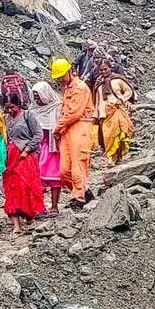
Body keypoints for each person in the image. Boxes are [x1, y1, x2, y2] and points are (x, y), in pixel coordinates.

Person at [51, 58, 95, 212]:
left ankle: (79, 197)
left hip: (80, 127)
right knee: (64, 171)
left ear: (69, 72)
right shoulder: (67, 89)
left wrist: (57, 128)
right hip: (67, 130)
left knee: (78, 164)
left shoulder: (80, 88)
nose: (60, 80)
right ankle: (84, 190)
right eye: (58, 78)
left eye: (61, 76)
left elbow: (74, 113)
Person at [3, 94, 45, 235]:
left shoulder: (28, 116)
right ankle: (16, 225)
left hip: (26, 157)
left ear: (18, 105)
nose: (9, 111)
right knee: (12, 188)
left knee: (25, 186)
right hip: (11, 158)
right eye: (7, 108)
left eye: (12, 107)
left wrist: (27, 150)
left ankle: (29, 215)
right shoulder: (7, 119)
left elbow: (38, 135)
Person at [93, 60, 135, 165]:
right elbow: (97, 101)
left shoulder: (118, 80)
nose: (103, 71)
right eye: (101, 70)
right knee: (107, 136)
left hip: (117, 109)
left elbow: (128, 91)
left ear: (110, 68)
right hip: (103, 113)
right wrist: (95, 114)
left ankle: (116, 157)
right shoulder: (98, 83)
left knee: (119, 134)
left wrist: (121, 100)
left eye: (105, 69)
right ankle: (111, 157)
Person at [30, 82, 63, 217]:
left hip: (53, 148)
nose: (37, 100)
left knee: (55, 178)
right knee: (37, 179)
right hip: (38, 149)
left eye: (39, 97)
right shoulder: (32, 110)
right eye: (35, 97)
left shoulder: (56, 108)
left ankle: (54, 206)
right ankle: (40, 206)